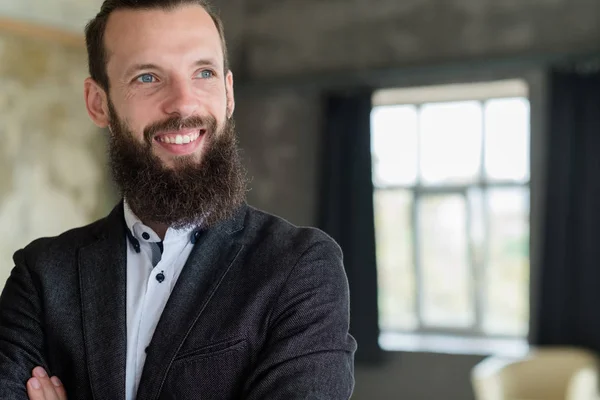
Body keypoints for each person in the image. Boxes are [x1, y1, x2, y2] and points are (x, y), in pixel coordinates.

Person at [0, 0, 357, 399]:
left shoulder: (301, 268)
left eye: (203, 72)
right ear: (98, 103)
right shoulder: (41, 275)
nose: (184, 104)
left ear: (228, 92)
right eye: (148, 77)